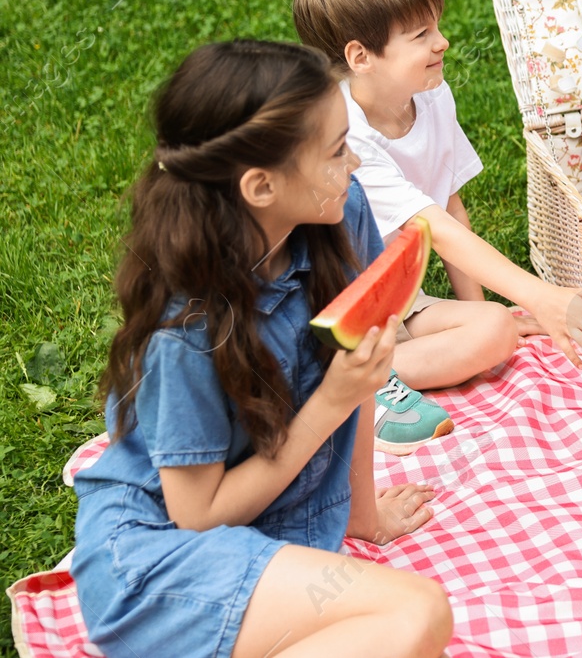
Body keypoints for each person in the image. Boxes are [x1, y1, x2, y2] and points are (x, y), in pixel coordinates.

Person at [73, 40, 451, 658]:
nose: (354, 161)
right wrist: (331, 401)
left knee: (413, 623)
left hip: (267, 529)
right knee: (417, 615)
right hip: (162, 559)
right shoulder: (188, 330)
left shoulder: (339, 212)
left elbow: (355, 373)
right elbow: (196, 515)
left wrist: (361, 515)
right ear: (261, 185)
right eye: (335, 150)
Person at [294, 0, 582, 454]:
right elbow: (433, 229)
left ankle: (364, 375)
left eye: (436, 27)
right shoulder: (342, 134)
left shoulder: (431, 95)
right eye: (421, 35)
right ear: (361, 57)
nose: (442, 42)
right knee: (499, 324)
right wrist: (539, 294)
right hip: (322, 315)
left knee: (496, 330)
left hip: (393, 307)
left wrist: (482, 315)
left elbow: (449, 207)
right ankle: (330, 381)